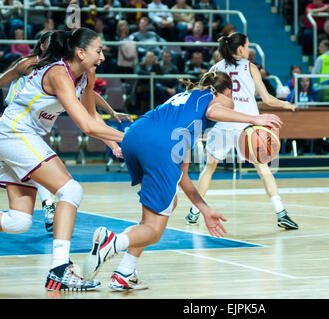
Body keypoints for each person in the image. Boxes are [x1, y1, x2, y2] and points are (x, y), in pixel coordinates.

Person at [81, 71, 283, 290]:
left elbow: (182, 176)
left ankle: (125, 272)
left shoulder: (186, 106)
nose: (232, 103)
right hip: (159, 145)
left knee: (158, 212)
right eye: (232, 97)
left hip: (135, 137)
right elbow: (215, 110)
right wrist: (255, 119)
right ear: (225, 92)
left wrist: (205, 210)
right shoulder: (208, 100)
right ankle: (113, 243)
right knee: (154, 230)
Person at [0, 28, 125, 291]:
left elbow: (91, 118)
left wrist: (112, 141)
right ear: (80, 52)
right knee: (70, 189)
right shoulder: (58, 73)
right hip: (15, 132)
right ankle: (59, 270)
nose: (102, 57)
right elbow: (86, 127)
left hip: (21, 138)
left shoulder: (86, 75)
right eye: (98, 51)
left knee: (18, 222)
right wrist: (134, 138)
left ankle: (59, 272)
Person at [184, 32, 299, 230]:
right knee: (263, 169)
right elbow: (268, 99)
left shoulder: (216, 67)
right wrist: (286, 105)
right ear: (240, 49)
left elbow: (200, 93)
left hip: (224, 122)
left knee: (209, 168)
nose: (248, 50)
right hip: (248, 125)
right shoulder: (250, 67)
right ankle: (281, 213)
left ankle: (194, 212)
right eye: (247, 46)